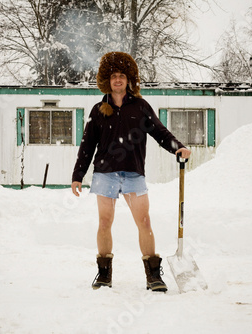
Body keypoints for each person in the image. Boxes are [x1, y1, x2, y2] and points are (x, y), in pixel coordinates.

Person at [71, 51, 190, 292]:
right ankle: (104, 274)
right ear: (107, 79)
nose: (118, 80)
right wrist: (77, 175)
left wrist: (179, 147)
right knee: (104, 222)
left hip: (133, 173)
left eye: (122, 76)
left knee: (144, 221)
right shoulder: (98, 110)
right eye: (113, 76)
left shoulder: (140, 106)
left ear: (128, 79)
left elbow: (160, 132)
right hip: (105, 173)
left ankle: (153, 276)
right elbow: (87, 145)